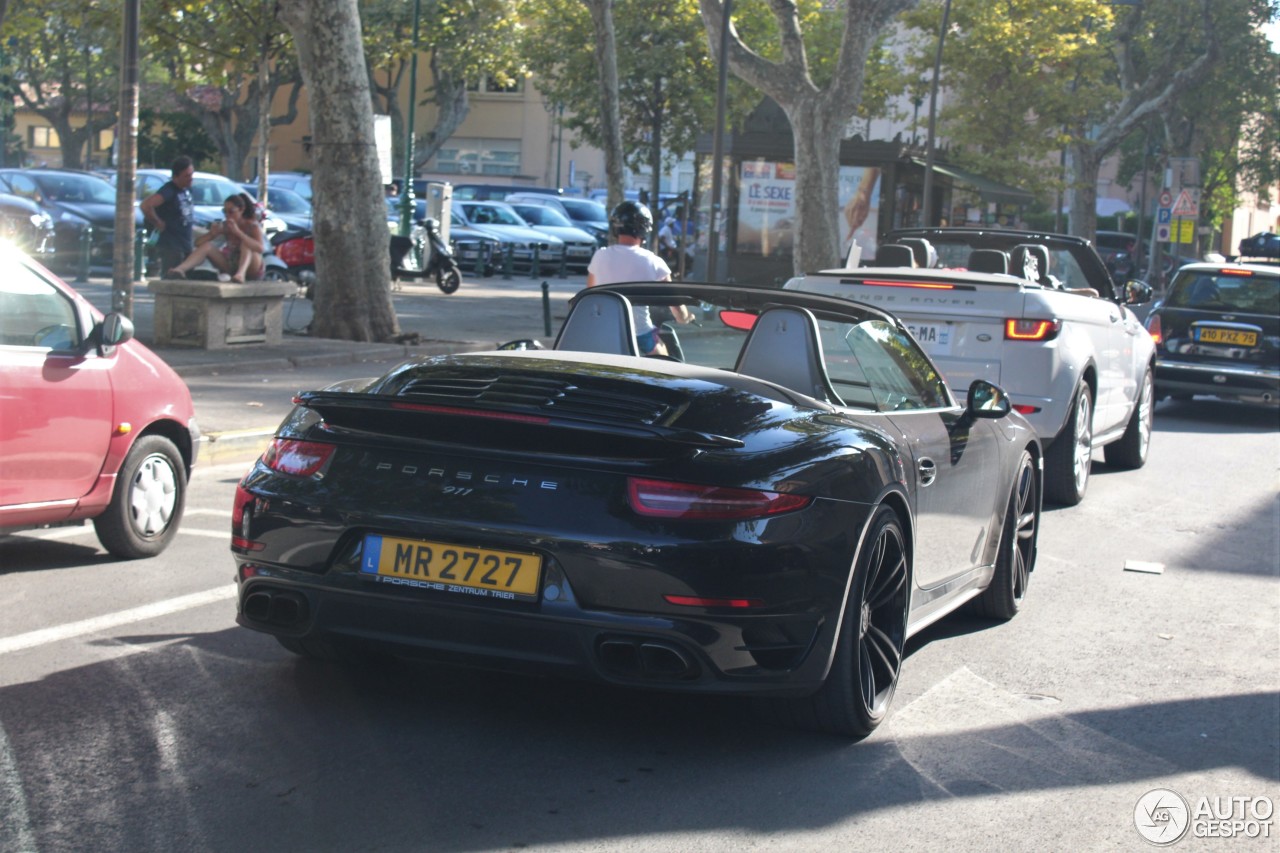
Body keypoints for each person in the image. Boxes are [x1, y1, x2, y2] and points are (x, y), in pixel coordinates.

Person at [587, 200, 692, 356]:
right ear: (644, 229)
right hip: (640, 335)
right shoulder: (653, 261)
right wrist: (685, 317)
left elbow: (590, 295)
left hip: (603, 333)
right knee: (664, 369)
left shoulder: (599, 256)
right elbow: (674, 303)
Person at [166, 193, 265, 282]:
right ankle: (180, 269)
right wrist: (212, 234)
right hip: (232, 264)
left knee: (246, 243)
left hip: (252, 266)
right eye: (225, 212)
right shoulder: (226, 226)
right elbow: (198, 244)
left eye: (231, 212)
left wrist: (238, 233)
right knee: (207, 246)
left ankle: (241, 274)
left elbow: (260, 248)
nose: (227, 216)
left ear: (241, 210)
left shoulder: (252, 225)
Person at [140, 155, 195, 276]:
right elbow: (146, 205)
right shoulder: (169, 190)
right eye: (186, 176)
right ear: (176, 177)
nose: (190, 179)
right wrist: (157, 222)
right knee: (171, 278)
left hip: (186, 244)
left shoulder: (187, 190)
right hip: (172, 245)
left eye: (191, 175)